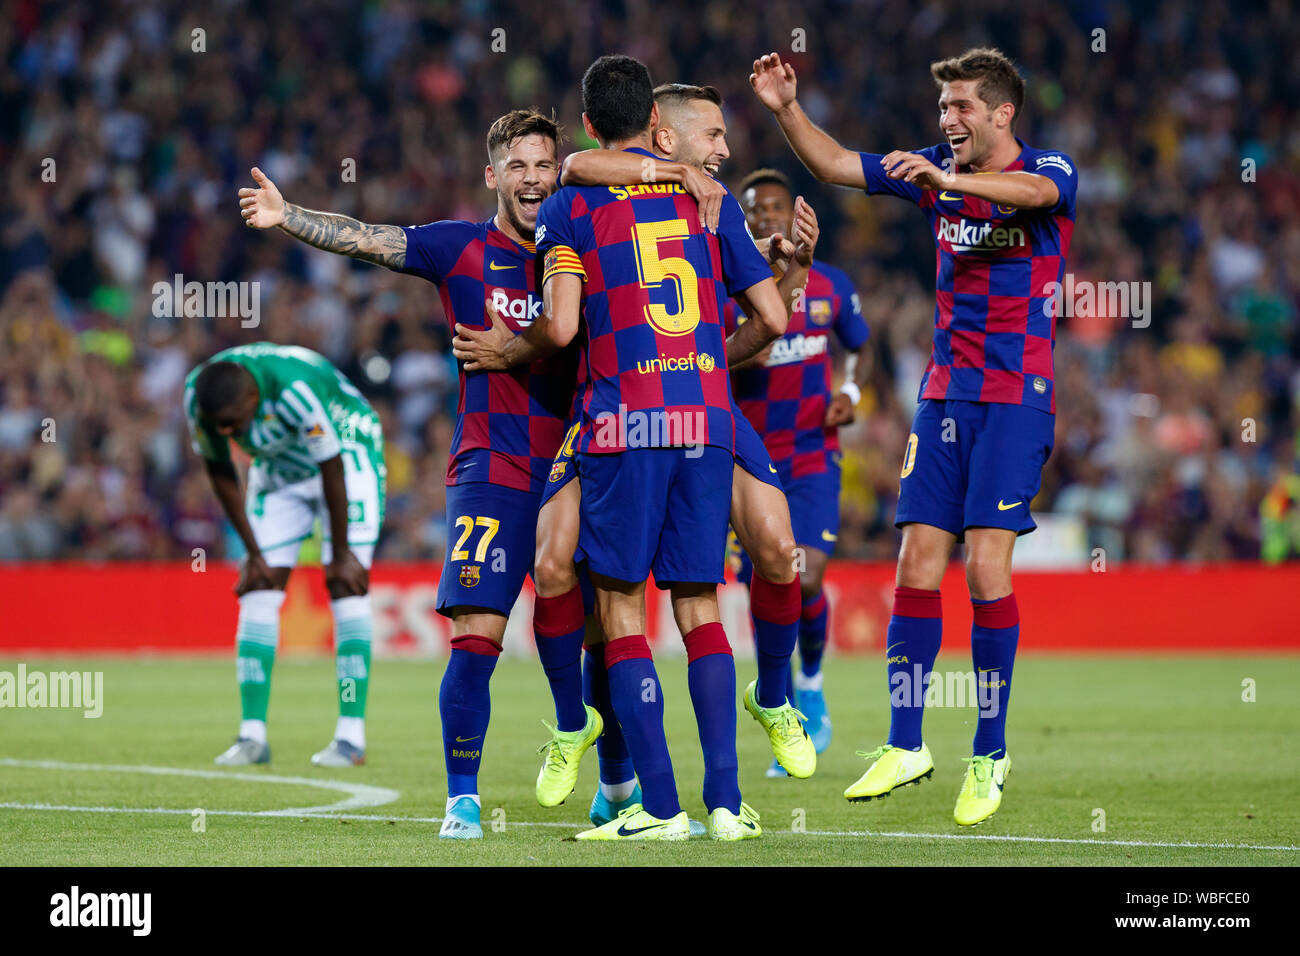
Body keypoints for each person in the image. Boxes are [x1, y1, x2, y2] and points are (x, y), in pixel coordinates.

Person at [238, 109, 598, 839]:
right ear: (493, 176)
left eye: (545, 164)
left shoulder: (588, 247)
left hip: (579, 464)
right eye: (518, 167)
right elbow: (371, 239)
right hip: (490, 465)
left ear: (560, 171)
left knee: (603, 631)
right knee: (476, 631)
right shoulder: (461, 248)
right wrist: (287, 217)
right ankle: (461, 800)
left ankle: (610, 773)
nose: (534, 179)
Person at [751, 47, 1078, 825]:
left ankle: (989, 754)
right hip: (944, 399)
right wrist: (783, 108)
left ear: (1002, 113)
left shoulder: (1051, 170)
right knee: (917, 561)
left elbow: (1030, 191)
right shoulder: (934, 169)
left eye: (962, 107)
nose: (947, 122)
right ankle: (906, 743)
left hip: (1015, 399)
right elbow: (833, 164)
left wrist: (948, 182)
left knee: (987, 569)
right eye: (943, 110)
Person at [729, 166, 874, 766]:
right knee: (767, 587)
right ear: (743, 222)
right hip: (748, 461)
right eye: (755, 211)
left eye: (775, 209)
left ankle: (808, 688)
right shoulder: (731, 284)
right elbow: (711, 358)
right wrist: (746, 354)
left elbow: (861, 346)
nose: (767, 219)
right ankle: (781, 703)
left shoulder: (832, 285)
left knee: (804, 575)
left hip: (813, 455)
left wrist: (852, 392)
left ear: (794, 217)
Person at [184, 344, 385, 769]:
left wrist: (342, 552)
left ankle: (351, 737)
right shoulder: (199, 400)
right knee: (258, 585)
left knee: (345, 585)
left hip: (347, 454)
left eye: (232, 424)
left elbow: (331, 464)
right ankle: (251, 736)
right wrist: (253, 553)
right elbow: (220, 471)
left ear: (253, 400)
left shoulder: (295, 389)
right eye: (218, 426)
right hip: (278, 467)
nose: (225, 433)